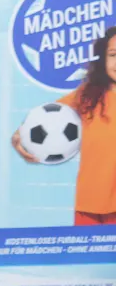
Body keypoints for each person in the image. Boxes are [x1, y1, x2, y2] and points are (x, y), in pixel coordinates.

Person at [13, 25, 116, 226]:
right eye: (113, 55)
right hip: (90, 201)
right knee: (85, 246)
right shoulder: (88, 95)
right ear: (103, 59)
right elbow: (46, 118)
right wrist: (20, 136)